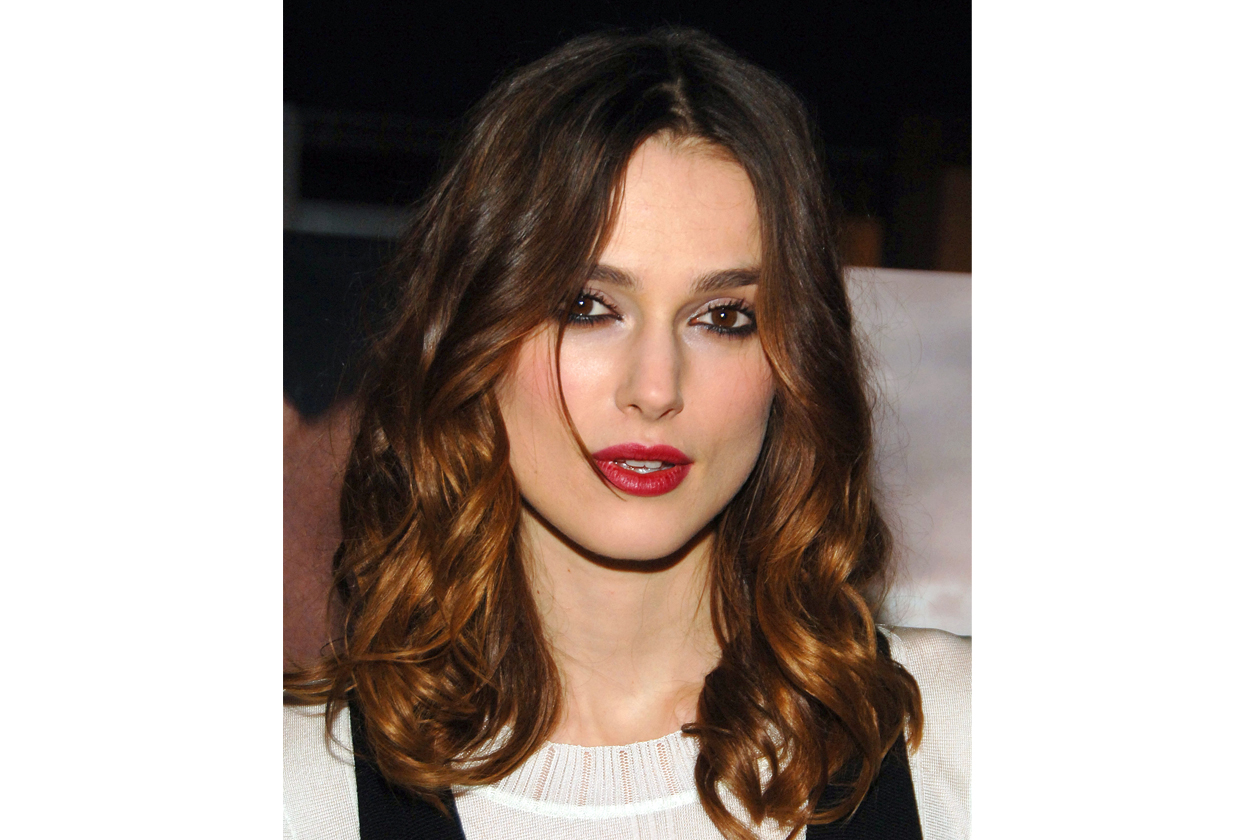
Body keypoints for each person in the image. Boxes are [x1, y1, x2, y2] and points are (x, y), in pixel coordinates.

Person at [284, 27, 969, 840]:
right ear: (472, 336)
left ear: (794, 363)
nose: (654, 389)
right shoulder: (294, 787)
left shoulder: (960, 738)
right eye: (586, 307)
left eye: (723, 317)